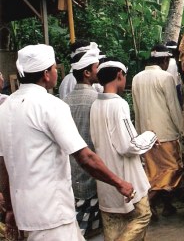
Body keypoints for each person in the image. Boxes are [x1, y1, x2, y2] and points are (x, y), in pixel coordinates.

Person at [0, 44, 134, 240]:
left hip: (26, 213)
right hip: (52, 213)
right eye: (54, 68)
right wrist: (119, 182)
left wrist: (11, 209)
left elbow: (3, 165)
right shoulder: (51, 105)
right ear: (46, 74)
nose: (57, 72)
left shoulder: (5, 108)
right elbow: (84, 157)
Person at [90, 58, 157, 240]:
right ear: (120, 75)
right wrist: (151, 136)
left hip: (106, 180)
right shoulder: (118, 104)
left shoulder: (95, 105)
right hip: (126, 178)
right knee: (143, 215)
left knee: (112, 226)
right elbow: (130, 145)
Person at [132, 44, 184, 219]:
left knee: (153, 173)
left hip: (146, 136)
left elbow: (137, 109)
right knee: (172, 170)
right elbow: (173, 107)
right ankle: (148, 203)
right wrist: (182, 130)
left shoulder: (136, 78)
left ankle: (166, 206)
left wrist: (139, 135)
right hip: (166, 134)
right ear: (164, 60)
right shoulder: (166, 77)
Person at [63, 47, 103, 237]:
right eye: (97, 67)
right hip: (93, 169)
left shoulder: (65, 101)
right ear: (87, 73)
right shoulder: (97, 100)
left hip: (73, 170)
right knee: (91, 227)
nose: (99, 70)